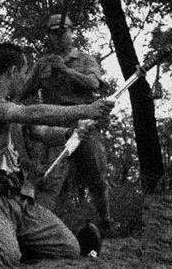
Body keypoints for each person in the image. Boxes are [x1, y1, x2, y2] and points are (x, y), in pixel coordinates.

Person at [0, 42, 115, 266]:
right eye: (24, 73)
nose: (25, 80)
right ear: (13, 71)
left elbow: (40, 130)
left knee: (69, 248)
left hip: (20, 201)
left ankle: (9, 238)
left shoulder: (7, 105)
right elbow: (31, 113)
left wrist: (72, 131)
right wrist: (86, 109)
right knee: (6, 257)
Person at [20, 13, 115, 234]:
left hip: (83, 125)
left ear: (72, 32)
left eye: (63, 31)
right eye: (54, 33)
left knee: (97, 177)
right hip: (54, 127)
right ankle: (45, 229)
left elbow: (94, 84)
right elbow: (24, 91)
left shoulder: (85, 59)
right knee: (51, 178)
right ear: (49, 36)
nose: (59, 37)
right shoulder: (43, 64)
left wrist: (65, 70)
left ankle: (106, 221)